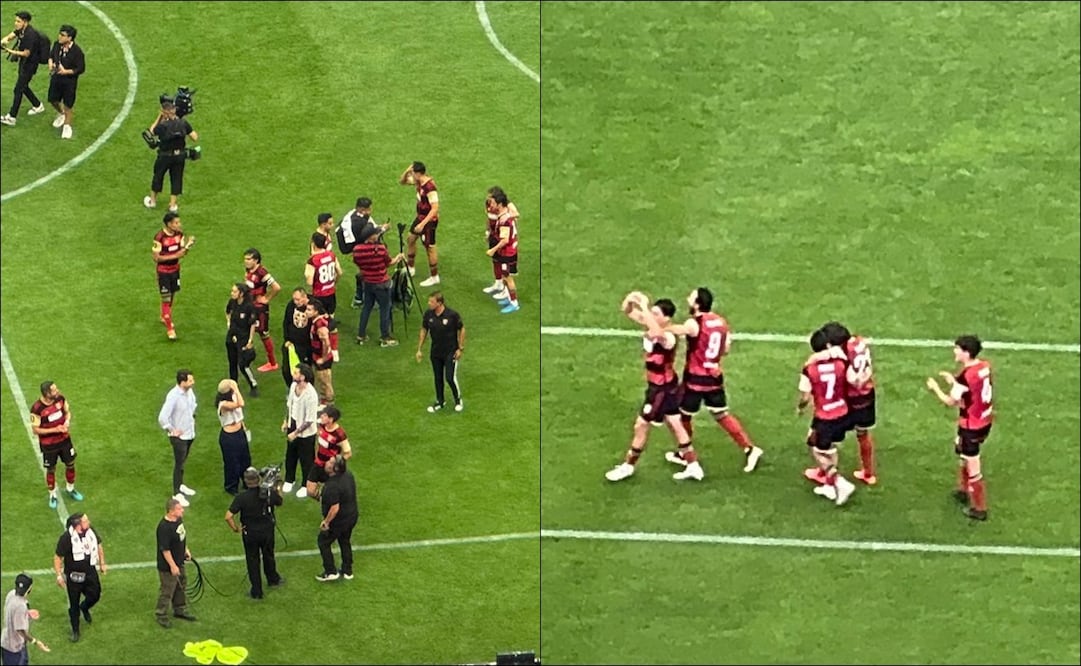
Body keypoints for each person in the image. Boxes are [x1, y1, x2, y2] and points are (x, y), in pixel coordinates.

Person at [664, 288, 763, 474]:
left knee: (683, 415)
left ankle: (684, 454)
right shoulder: (721, 322)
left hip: (695, 379)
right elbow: (725, 349)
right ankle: (749, 448)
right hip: (714, 376)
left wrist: (659, 328)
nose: (687, 299)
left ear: (697, 303)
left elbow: (680, 331)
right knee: (721, 414)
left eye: (691, 297)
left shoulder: (695, 322)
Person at [605, 293, 702, 482]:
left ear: (666, 318)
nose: (652, 316)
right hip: (663, 385)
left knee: (641, 425)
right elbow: (627, 310)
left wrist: (644, 306)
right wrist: (631, 299)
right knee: (676, 424)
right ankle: (693, 465)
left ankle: (628, 466)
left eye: (656, 314)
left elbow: (657, 333)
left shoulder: (669, 336)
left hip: (661, 388)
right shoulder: (653, 325)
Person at [925, 335, 994, 521]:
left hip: (971, 426)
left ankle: (979, 508)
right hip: (985, 420)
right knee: (962, 453)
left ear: (966, 352)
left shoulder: (965, 377)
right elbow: (970, 388)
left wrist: (935, 388)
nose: (954, 352)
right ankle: (962, 489)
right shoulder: (984, 367)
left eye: (957, 349)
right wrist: (952, 380)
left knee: (973, 466)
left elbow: (950, 401)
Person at [803, 321, 878, 485]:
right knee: (863, 434)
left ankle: (825, 470)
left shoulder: (843, 352)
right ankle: (868, 473)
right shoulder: (858, 342)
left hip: (851, 399)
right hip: (868, 395)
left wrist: (811, 361)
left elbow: (853, 380)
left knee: (824, 431)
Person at [797, 328, 858, 506]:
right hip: (843, 413)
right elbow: (853, 381)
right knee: (829, 447)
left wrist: (800, 408)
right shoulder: (841, 363)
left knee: (816, 449)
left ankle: (838, 482)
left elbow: (805, 396)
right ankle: (830, 485)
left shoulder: (810, 369)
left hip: (825, 416)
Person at [225, 467, 284, 599]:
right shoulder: (267, 493)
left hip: (250, 533)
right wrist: (277, 487)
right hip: (267, 531)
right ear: (258, 479)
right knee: (268, 555)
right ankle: (273, 579)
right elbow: (280, 501)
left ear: (246, 481)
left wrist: (235, 529)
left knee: (252, 560)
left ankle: (256, 591)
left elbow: (228, 516)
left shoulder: (241, 497)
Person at [30, 381, 84, 509]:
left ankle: (70, 489)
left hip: (65, 441)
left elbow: (67, 412)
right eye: (54, 390)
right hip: (49, 445)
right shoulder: (37, 409)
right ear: (47, 393)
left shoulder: (60, 399)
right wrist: (55, 430)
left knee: (70, 464)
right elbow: (35, 430)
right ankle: (52, 495)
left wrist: (67, 421)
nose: (57, 391)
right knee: (51, 469)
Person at [53, 512, 105, 643]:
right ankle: (75, 630)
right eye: (86, 521)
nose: (89, 522)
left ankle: (85, 607)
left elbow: (98, 545)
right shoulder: (66, 538)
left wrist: (102, 563)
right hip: (74, 577)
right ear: (77, 526)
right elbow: (58, 557)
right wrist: (59, 575)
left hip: (90, 572)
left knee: (95, 595)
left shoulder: (91, 531)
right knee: (73, 604)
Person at [353, 222, 405, 347]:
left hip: (368, 283)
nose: (377, 234)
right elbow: (389, 262)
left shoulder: (357, 250)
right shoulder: (381, 249)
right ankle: (385, 337)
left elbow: (358, 263)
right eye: (376, 233)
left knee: (367, 308)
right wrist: (398, 258)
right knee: (385, 309)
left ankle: (361, 334)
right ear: (371, 237)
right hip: (382, 283)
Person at [143, 98, 198, 213]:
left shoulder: (163, 126)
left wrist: (159, 117)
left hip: (165, 156)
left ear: (165, 112)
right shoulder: (183, 123)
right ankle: (172, 205)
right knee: (177, 178)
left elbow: (151, 132)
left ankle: (152, 202)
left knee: (158, 176)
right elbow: (195, 137)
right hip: (180, 156)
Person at [416, 291, 465, 413]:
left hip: (450, 351)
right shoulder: (428, 315)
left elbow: (462, 329)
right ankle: (440, 401)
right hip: (436, 352)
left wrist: (460, 348)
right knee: (438, 378)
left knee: (449, 377)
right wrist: (419, 349)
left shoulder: (452, 315)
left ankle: (458, 399)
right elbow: (424, 330)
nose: (429, 303)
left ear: (440, 303)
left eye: (432, 301)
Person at [151, 211, 195, 340]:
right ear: (169, 224)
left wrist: (188, 246)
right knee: (166, 298)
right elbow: (156, 258)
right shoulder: (159, 237)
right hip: (164, 271)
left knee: (172, 294)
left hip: (175, 270)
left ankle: (164, 315)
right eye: (176, 222)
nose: (178, 224)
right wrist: (174, 256)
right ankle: (170, 329)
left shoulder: (179, 234)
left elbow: (182, 252)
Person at [158, 369, 197, 508]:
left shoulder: (189, 392)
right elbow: (162, 417)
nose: (193, 382)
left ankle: (180, 485)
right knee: (179, 463)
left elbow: (192, 406)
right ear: (182, 382)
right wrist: (172, 430)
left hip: (189, 433)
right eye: (190, 380)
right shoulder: (173, 396)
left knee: (183, 461)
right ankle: (177, 493)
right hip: (179, 437)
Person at [315, 455, 358, 582]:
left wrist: (326, 522)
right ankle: (347, 570)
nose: (327, 463)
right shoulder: (348, 475)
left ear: (335, 468)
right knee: (345, 541)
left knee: (323, 542)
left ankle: (330, 571)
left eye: (330, 462)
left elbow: (335, 508)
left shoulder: (332, 486)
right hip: (351, 516)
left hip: (339, 521)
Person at [0, 11, 47, 127]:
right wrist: (4, 40)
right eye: (16, 20)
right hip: (24, 63)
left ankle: (12, 117)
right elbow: (12, 35)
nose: (15, 23)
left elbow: (26, 53)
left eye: (18, 21)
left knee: (18, 89)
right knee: (23, 86)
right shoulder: (21, 30)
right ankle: (37, 105)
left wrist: (10, 51)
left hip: (30, 65)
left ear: (25, 22)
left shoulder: (30, 35)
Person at [155, 497, 197, 628]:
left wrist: (186, 549)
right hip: (168, 566)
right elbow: (165, 550)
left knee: (181, 584)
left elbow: (181, 537)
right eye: (179, 509)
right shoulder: (163, 528)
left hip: (179, 561)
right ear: (171, 511)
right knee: (167, 590)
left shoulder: (178, 520)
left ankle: (179, 609)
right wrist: (173, 566)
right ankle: (161, 614)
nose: (182, 510)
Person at [400, 161, 442, 287]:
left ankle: (434, 276)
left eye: (413, 172)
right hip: (420, 217)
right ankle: (411, 268)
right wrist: (407, 170)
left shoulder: (430, 187)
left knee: (430, 247)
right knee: (410, 239)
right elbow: (402, 181)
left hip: (429, 221)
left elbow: (435, 208)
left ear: (418, 173)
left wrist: (423, 224)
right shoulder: (418, 181)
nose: (411, 175)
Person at [282, 363, 319, 499]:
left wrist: (295, 433)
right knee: (290, 455)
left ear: (303, 377)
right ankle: (289, 479)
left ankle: (305, 484)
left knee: (306, 459)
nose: (293, 374)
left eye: (296, 373)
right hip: (293, 424)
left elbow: (309, 420)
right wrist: (286, 421)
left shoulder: (311, 395)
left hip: (306, 433)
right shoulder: (293, 387)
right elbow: (289, 405)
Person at [338, 197, 383, 308]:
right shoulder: (359, 222)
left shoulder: (355, 215)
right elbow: (366, 237)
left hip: (354, 246)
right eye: (368, 209)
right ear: (361, 209)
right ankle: (365, 299)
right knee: (369, 272)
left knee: (365, 271)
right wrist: (382, 230)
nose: (370, 211)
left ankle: (359, 298)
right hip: (356, 249)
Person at [243, 248, 282, 373]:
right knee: (247, 329)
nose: (246, 261)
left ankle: (272, 363)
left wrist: (266, 298)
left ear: (256, 260)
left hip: (259, 309)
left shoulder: (262, 272)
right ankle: (246, 352)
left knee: (263, 334)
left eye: (249, 259)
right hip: (250, 305)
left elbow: (276, 287)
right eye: (245, 259)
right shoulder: (249, 270)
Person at [305, 405, 352, 500]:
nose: (321, 416)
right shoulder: (322, 425)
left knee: (331, 493)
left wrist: (336, 463)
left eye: (324, 415)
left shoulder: (339, 434)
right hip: (318, 462)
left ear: (331, 419)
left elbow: (348, 453)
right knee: (310, 491)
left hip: (330, 467)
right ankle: (322, 500)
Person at [485, 189, 521, 314]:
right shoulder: (505, 215)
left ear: (500, 204)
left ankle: (514, 303)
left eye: (493, 203)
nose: (491, 204)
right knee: (505, 276)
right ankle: (509, 298)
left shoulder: (504, 220)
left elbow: (505, 240)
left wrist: (493, 250)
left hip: (507, 252)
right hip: (508, 251)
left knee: (508, 278)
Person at [45, 25, 83, 140]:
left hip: (69, 81)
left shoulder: (77, 52)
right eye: (60, 34)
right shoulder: (57, 45)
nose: (59, 37)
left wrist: (66, 71)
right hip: (56, 78)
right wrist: (50, 64)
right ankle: (61, 114)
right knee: (52, 99)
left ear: (70, 38)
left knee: (68, 104)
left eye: (63, 35)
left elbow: (80, 68)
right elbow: (51, 56)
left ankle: (67, 126)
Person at [1, 574, 49, 664]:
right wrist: (36, 642)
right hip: (14, 648)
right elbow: (20, 630)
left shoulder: (11, 594)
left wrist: (27, 613)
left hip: (7, 640)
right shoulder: (20, 606)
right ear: (29, 588)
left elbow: (12, 611)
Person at [215, 379, 251, 496]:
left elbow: (239, 415)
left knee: (245, 459)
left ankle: (247, 482)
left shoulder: (234, 397)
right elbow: (240, 404)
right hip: (229, 438)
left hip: (239, 432)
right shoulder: (223, 404)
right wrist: (236, 388)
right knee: (232, 462)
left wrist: (244, 427)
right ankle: (231, 486)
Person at [225, 283, 259, 397]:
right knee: (232, 362)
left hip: (243, 338)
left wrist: (250, 340)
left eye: (234, 291)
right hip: (231, 337)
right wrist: (229, 324)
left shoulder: (249, 307)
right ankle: (233, 386)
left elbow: (253, 324)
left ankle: (253, 384)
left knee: (243, 364)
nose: (232, 293)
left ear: (241, 294)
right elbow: (228, 312)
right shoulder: (232, 302)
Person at [305, 298, 335, 405]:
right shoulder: (315, 321)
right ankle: (324, 400)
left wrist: (323, 358)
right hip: (317, 355)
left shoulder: (319, 324)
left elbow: (326, 343)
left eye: (309, 310)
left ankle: (329, 403)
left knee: (325, 381)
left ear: (316, 312)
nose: (306, 312)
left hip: (322, 357)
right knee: (321, 380)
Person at [280, 288, 312, 389]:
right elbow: (286, 322)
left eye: (298, 299)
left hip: (306, 346)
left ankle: (307, 390)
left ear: (304, 297)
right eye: (294, 299)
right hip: (291, 344)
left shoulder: (312, 306)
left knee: (305, 371)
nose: (295, 302)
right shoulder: (291, 306)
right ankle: (292, 389)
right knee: (286, 370)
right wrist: (286, 339)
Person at [305, 232, 342, 317]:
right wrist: (334, 283)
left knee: (319, 322)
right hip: (331, 294)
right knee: (330, 319)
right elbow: (339, 272)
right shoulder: (332, 255)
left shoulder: (312, 260)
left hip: (318, 296)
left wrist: (309, 296)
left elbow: (309, 282)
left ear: (313, 243)